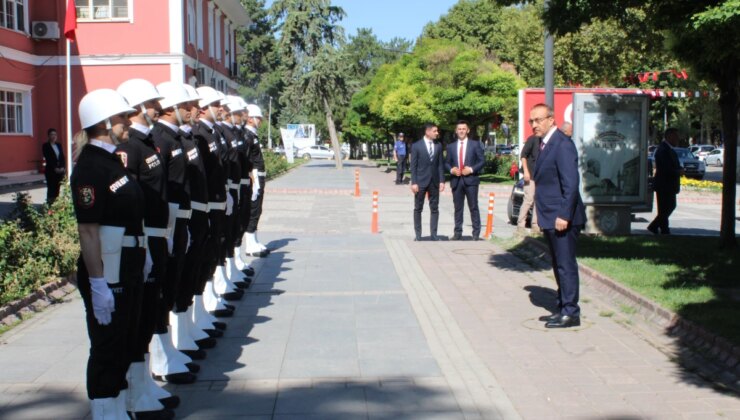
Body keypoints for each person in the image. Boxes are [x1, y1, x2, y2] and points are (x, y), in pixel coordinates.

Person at [70, 89, 148, 418]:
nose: (128, 124)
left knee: (124, 342)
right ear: (104, 123)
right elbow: (88, 230)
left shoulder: (110, 162)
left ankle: (118, 410)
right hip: (108, 271)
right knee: (107, 347)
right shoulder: (89, 167)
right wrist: (98, 283)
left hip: (125, 264)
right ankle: (105, 413)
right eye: (122, 119)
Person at [115, 78, 181, 416]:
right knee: (140, 314)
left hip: (155, 233)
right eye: (152, 102)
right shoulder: (132, 149)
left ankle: (143, 384)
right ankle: (135, 390)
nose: (157, 106)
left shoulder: (150, 142)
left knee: (151, 307)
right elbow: (130, 201)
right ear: (139, 107)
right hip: (143, 236)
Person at [530, 103, 586, 329]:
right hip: (551, 216)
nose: (534, 125)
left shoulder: (562, 144)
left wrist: (564, 215)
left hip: (562, 217)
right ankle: (563, 305)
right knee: (557, 263)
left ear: (551, 120)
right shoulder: (545, 144)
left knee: (565, 264)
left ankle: (571, 312)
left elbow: (571, 183)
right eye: (532, 121)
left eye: (538, 120)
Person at [445, 120, 484, 240]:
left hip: (471, 180)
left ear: (468, 130)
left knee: (473, 207)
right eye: (459, 129)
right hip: (456, 181)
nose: (461, 131)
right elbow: (446, 162)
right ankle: (457, 233)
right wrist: (451, 170)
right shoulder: (450, 146)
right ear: (456, 131)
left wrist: (471, 169)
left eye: (463, 129)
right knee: (458, 208)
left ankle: (476, 233)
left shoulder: (475, 144)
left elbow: (482, 161)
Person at [410, 123, 445, 241]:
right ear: (427, 132)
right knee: (418, 208)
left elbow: (440, 165)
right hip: (420, 181)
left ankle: (434, 234)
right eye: (435, 131)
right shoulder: (416, 146)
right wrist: (414, 182)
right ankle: (418, 234)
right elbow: (413, 166)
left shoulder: (438, 145)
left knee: (434, 208)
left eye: (437, 131)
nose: (437, 133)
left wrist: (442, 181)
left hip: (434, 181)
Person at [243, 104, 269, 256]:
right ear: (251, 119)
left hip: (259, 175)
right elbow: (248, 161)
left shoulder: (252, 135)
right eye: (258, 118)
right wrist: (253, 181)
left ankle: (254, 240)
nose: (260, 121)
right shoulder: (247, 135)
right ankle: (250, 244)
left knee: (257, 209)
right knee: (253, 209)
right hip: (254, 176)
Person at [647, 128, 682, 235]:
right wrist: (677, 171)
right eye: (676, 136)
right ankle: (655, 226)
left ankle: (664, 229)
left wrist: (679, 169)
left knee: (665, 208)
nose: (677, 139)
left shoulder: (668, 149)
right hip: (664, 185)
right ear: (670, 136)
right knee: (668, 207)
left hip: (668, 185)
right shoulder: (663, 149)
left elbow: (673, 164)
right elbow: (665, 168)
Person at [517, 134, 541, 233]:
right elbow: (523, 156)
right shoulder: (533, 139)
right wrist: (526, 171)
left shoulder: (547, 140)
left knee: (538, 201)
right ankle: (520, 225)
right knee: (528, 199)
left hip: (541, 175)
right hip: (530, 174)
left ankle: (535, 226)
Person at [41, 128, 65, 204]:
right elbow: (48, 158)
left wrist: (62, 167)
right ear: (48, 136)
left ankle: (56, 205)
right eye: (52, 134)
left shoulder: (58, 145)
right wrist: (55, 168)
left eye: (55, 134)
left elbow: (62, 157)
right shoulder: (46, 146)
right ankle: (50, 205)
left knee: (57, 188)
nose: (54, 136)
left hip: (59, 171)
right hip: (51, 171)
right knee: (51, 188)